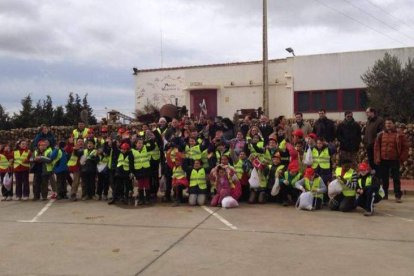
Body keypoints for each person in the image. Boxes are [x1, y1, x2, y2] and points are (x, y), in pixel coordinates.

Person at [374, 118, 409, 202]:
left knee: (396, 178)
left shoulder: (399, 135)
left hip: (394, 160)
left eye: (389, 123)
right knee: (384, 178)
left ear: (393, 124)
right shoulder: (380, 135)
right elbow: (376, 147)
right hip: (383, 160)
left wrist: (401, 159)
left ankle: (398, 196)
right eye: (386, 124)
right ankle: (384, 195)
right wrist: (377, 158)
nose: (388, 125)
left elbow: (405, 147)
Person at [363, 107, 384, 173]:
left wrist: (375, 142)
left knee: (377, 162)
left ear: (372, 112)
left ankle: (379, 177)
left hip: (376, 146)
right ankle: (374, 177)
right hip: (368, 145)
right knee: (371, 162)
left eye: (367, 112)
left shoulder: (379, 121)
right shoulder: (368, 121)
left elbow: (381, 133)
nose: (366, 114)